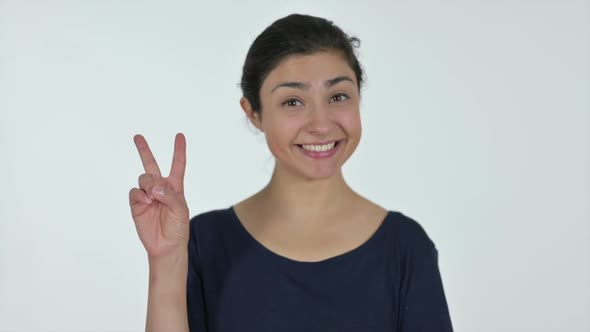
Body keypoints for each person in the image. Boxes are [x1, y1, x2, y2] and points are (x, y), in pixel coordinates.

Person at [129, 13, 453, 332]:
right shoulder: (203, 242)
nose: (322, 124)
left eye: (338, 96)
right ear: (254, 113)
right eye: (293, 102)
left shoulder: (405, 248)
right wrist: (166, 261)